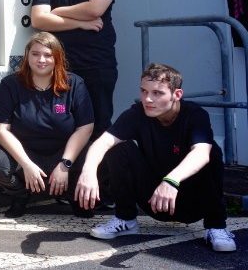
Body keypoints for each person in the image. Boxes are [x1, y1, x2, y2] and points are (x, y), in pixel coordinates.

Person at [74, 63, 237, 253]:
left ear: (177, 95)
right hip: (153, 199)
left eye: (157, 93)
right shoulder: (136, 114)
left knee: (211, 151)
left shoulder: (194, 115)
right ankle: (125, 219)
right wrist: (88, 172)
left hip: (194, 201)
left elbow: (200, 153)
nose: (147, 99)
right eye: (144, 91)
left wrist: (170, 181)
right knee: (117, 148)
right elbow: (102, 143)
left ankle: (216, 226)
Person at [0, 32, 94, 218]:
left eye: (48, 55)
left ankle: (73, 195)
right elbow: (0, 129)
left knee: (99, 156)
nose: (41, 59)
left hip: (63, 154)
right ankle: (21, 194)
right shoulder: (10, 84)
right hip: (26, 155)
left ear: (57, 57)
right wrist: (26, 164)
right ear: (27, 56)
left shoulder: (74, 83)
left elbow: (85, 128)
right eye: (35, 54)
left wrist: (65, 165)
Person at [30, 0, 117, 141]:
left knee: (100, 123)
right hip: (61, 66)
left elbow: (95, 9)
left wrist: (58, 11)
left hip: (97, 65)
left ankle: (99, 175)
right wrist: (80, 22)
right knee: (64, 122)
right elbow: (39, 20)